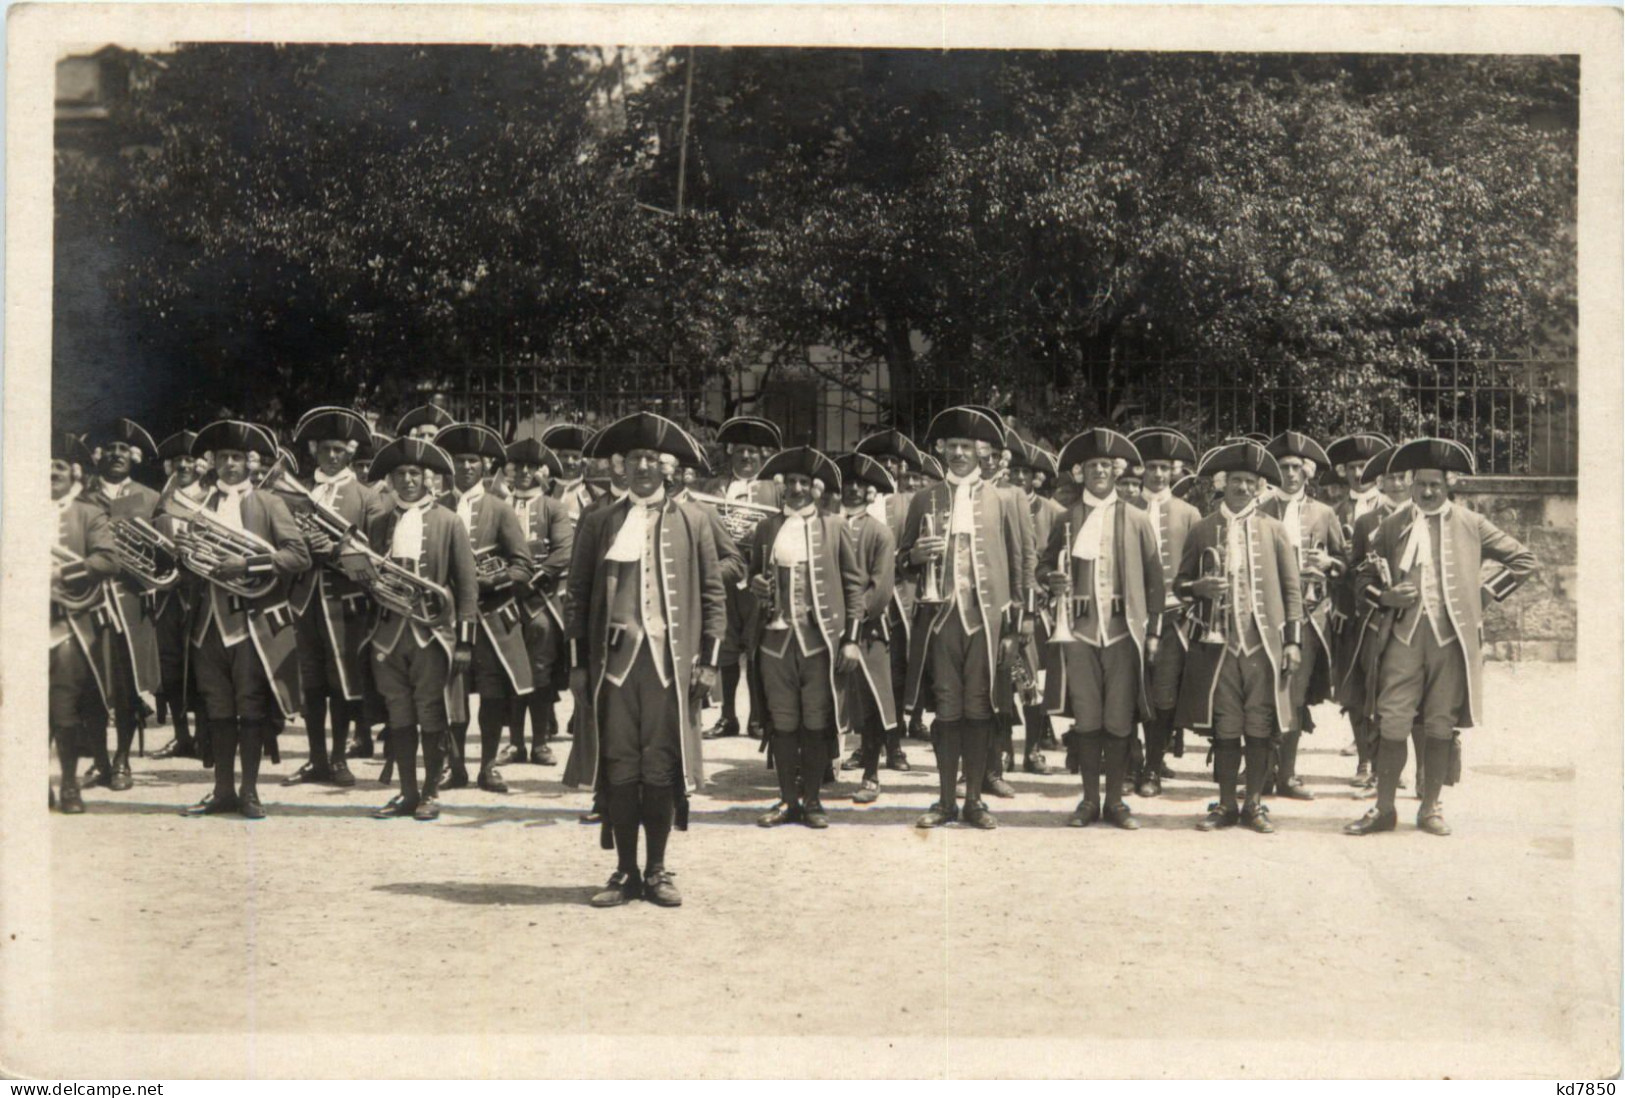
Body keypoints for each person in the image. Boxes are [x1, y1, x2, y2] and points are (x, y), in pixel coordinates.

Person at [563, 413, 726, 908]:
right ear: (621, 466)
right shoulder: (599, 521)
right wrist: (577, 664)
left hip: (669, 666)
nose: (642, 467)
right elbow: (577, 594)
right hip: (614, 666)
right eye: (633, 459)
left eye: (652, 459)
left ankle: (656, 870)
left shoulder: (694, 520)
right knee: (619, 765)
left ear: (669, 468)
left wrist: (710, 661)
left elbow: (714, 594)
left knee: (660, 765)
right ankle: (624, 872)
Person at [1344, 439, 1537, 837]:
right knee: (1393, 720)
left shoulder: (1471, 523)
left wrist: (1480, 596)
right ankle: (1383, 809)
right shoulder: (1392, 525)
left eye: (1436, 484)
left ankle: (1430, 807)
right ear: (1411, 484)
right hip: (1402, 638)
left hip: (1451, 643)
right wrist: (1385, 596)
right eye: (1421, 484)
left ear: (1449, 485)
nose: (1428, 491)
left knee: (1439, 724)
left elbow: (1523, 561)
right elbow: (1360, 577)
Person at [899, 406, 1033, 830]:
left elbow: (1021, 563)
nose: (958, 453)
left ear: (982, 451)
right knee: (947, 708)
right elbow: (902, 562)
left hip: (988, 622)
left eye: (966, 446)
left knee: (981, 707)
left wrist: (1018, 626)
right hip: (940, 619)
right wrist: (915, 556)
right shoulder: (925, 498)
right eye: (952, 446)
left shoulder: (1006, 499)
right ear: (941, 449)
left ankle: (975, 800)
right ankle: (944, 801)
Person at [176, 421, 312, 820]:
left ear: (250, 463)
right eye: (223, 458)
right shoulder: (200, 503)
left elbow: (299, 555)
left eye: (237, 457)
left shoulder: (269, 503)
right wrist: (184, 550)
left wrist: (248, 562)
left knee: (250, 704)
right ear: (212, 462)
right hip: (207, 622)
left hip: (252, 621)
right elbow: (189, 561)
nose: (230, 464)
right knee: (216, 706)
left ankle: (249, 791)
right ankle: (221, 790)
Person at [1173, 440, 1303, 835]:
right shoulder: (1202, 528)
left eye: (1251, 482)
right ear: (1222, 484)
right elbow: (1179, 584)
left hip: (1263, 643)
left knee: (1260, 722)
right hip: (1219, 644)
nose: (1243, 488)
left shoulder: (1275, 529)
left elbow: (1292, 588)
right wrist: (1199, 588)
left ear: (1259, 488)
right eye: (1236, 481)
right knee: (1226, 724)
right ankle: (1227, 804)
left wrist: (1293, 641)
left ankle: (1255, 804)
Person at [1041, 429, 1164, 830]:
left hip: (1122, 630)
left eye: (1106, 466)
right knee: (1088, 719)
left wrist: (1154, 632)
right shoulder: (1066, 517)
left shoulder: (1137, 518)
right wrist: (1050, 580)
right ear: (1080, 472)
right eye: (1092, 466)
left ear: (1118, 471)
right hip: (1078, 631)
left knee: (1119, 718)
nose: (1099, 472)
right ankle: (1089, 800)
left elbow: (1155, 581)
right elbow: (1043, 568)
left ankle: (1115, 801)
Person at [746, 448, 866, 828]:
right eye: (790, 482)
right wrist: (755, 585)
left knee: (815, 721)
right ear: (782, 487)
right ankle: (785, 800)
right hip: (775, 640)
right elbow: (750, 575)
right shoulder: (766, 528)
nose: (797, 489)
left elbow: (854, 586)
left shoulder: (834, 527)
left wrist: (851, 639)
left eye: (804, 483)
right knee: (782, 721)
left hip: (819, 641)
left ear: (816, 489)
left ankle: (812, 800)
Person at [362, 437, 479, 821]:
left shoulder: (449, 521)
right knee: (398, 712)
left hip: (432, 634)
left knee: (431, 712)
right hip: (389, 632)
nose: (408, 480)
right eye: (401, 474)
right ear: (391, 480)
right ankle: (407, 792)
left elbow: (466, 586)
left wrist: (464, 642)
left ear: (428, 479)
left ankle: (431, 792)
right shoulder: (379, 522)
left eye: (415, 473)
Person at [281, 407, 387, 789]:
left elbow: (374, 553)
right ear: (313, 450)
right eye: (325, 449)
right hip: (302, 600)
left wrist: (332, 549)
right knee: (310, 683)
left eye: (339, 450)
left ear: (350, 452)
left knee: (342, 682)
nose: (332, 456)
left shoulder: (366, 497)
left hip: (346, 601)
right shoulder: (297, 492)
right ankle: (314, 759)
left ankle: (339, 757)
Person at [436, 422, 536, 793]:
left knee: (493, 693)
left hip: (492, 617)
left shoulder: (500, 509)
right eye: (460, 461)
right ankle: (454, 764)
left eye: (473, 462)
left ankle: (489, 765)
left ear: (484, 466)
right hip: (446, 618)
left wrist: (487, 581)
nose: (465, 468)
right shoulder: (438, 506)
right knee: (452, 690)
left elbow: (523, 566)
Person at [1260, 431, 1348, 801]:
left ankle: (1288, 774)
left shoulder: (1324, 513)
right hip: (1267, 614)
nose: (1291, 474)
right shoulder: (1262, 509)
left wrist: (1328, 563)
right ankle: (1263, 771)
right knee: (1264, 690)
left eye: (1297, 467)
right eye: (1283, 467)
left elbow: (1346, 563)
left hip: (1310, 615)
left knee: (1294, 694)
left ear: (1308, 472)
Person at [81, 419, 163, 792]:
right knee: (92, 684)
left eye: (123, 449)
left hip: (132, 600)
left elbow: (166, 554)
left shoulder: (150, 498)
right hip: (89, 599)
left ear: (134, 456)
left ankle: (122, 761)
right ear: (99, 454)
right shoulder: (82, 496)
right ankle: (99, 760)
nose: (116, 454)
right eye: (109, 448)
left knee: (129, 685)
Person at [1125, 427, 1203, 796]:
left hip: (1174, 618)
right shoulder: (1125, 508)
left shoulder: (1189, 514)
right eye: (1151, 467)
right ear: (1140, 470)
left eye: (1164, 468)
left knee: (1163, 694)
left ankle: (1153, 768)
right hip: (1129, 617)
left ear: (1174, 471)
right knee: (1128, 690)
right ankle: (1131, 760)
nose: (1158, 475)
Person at [700, 416, 784, 742]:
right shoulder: (714, 488)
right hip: (724, 573)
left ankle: (756, 717)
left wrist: (758, 529)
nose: (746, 458)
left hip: (759, 574)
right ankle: (727, 716)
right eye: (740, 451)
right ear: (731, 453)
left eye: (752, 452)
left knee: (756, 647)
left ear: (761, 456)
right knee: (725, 645)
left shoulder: (774, 489)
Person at [50, 433, 121, 814]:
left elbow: (108, 561)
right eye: (43, 470)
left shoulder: (88, 513)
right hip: (21, 623)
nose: (50, 476)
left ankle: (70, 786)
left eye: (57, 468)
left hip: (71, 623)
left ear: (73, 473)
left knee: (64, 709)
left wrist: (59, 574)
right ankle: (35, 785)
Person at [830, 453, 902, 805]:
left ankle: (871, 774)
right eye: (847, 483)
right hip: (826, 630)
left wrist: (852, 627)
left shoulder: (880, 533)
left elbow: (881, 587)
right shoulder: (825, 524)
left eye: (860, 484)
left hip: (869, 632)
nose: (853, 490)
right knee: (825, 700)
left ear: (870, 491)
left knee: (871, 704)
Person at [1325, 433, 1396, 784]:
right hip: (1347, 611)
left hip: (1385, 611)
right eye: (1352, 467)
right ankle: (1364, 758)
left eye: (1365, 468)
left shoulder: (1391, 509)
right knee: (1353, 687)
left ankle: (1387, 758)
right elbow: (1338, 562)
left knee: (1387, 685)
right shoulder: (1335, 513)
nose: (1358, 474)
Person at [850, 428, 924, 766]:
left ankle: (893, 744)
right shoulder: (852, 504)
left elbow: (911, 551)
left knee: (894, 674)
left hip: (898, 597)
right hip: (862, 600)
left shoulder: (908, 502)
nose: (888, 467)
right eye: (880, 461)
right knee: (859, 674)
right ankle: (863, 746)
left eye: (893, 462)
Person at [506, 438, 573, 766]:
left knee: (540, 670)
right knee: (510, 669)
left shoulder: (553, 507)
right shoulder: (500, 506)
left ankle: (540, 742)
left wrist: (534, 578)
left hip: (542, 600)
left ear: (542, 473)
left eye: (530, 468)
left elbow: (563, 551)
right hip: (504, 598)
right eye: (517, 467)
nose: (523, 473)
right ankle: (515, 743)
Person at [1003, 435, 1064, 775]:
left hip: (1041, 608)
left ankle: (1033, 749)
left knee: (1034, 680)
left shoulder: (1054, 512)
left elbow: (1057, 561)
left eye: (1026, 472)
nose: (1019, 477)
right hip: (1004, 602)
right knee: (1003, 678)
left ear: (1037, 477)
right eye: (1013, 470)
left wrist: (1045, 587)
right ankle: (1003, 750)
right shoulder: (997, 503)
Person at [148, 431, 207, 764]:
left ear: (199, 464)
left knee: (198, 663)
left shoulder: (210, 495)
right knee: (169, 662)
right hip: (168, 589)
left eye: (189, 459)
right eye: (177, 460)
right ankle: (181, 735)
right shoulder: (164, 495)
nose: (183, 465)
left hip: (198, 588)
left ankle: (203, 736)